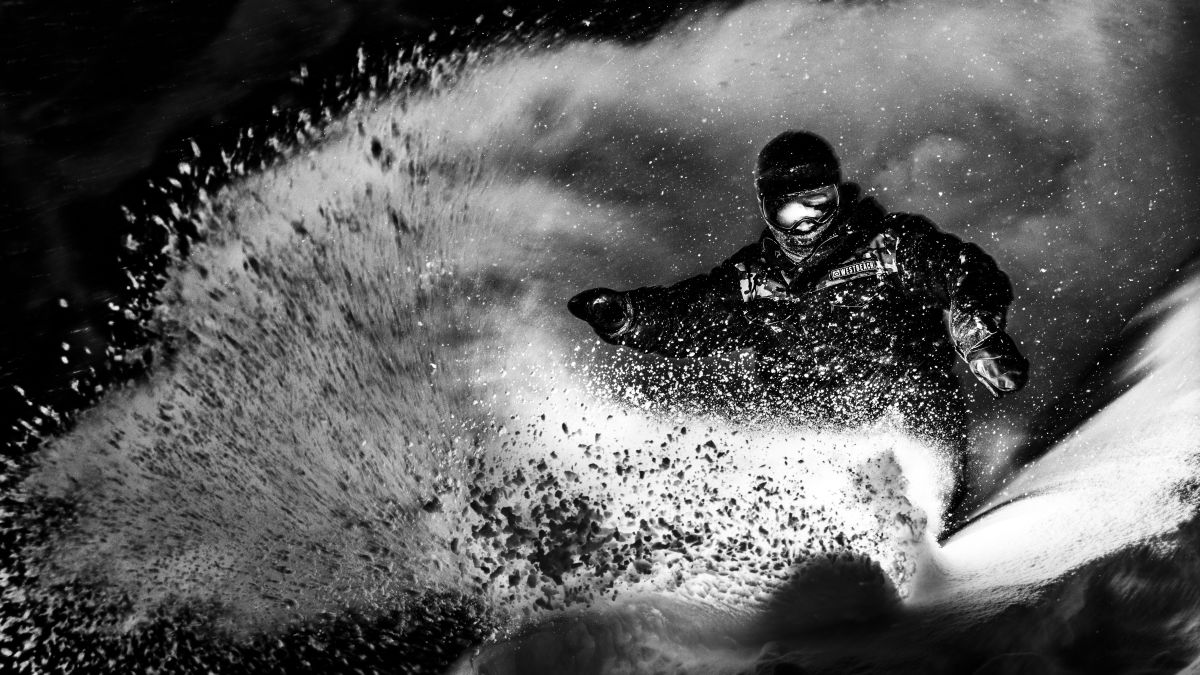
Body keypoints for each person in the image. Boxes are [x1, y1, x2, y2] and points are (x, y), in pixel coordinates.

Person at [567, 130, 1028, 481]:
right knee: (769, 456)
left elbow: (963, 270)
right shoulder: (753, 280)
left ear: (837, 195)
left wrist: (978, 336)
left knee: (903, 435)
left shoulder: (890, 245)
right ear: (769, 210)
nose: (806, 223)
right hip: (812, 438)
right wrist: (628, 317)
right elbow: (690, 314)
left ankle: (916, 519)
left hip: (907, 414)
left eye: (818, 203)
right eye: (791, 211)